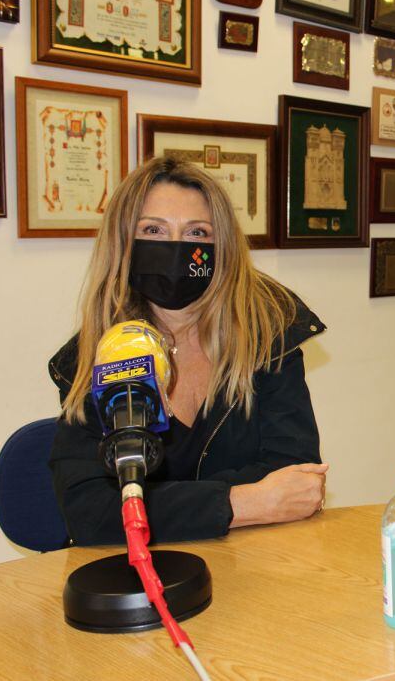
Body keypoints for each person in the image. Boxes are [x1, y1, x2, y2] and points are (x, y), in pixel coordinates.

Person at [49, 157, 328, 545]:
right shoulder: (103, 354)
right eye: (153, 230)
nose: (176, 247)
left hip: (254, 558)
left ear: (222, 245)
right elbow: (90, 514)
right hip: (144, 568)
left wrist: (161, 503)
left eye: (197, 232)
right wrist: (241, 502)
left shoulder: (267, 329)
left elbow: (296, 480)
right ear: (122, 243)